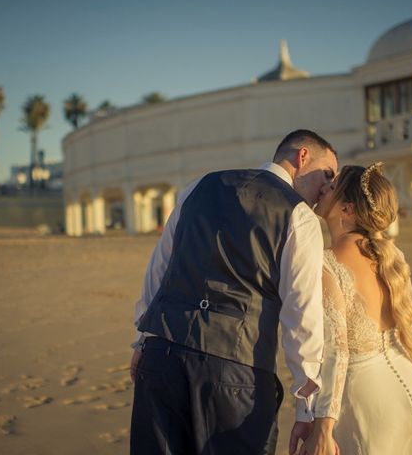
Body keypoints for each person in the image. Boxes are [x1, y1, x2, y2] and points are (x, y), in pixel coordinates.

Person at [129, 129, 338, 455]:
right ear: (302, 157)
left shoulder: (200, 186)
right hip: (236, 372)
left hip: (162, 355)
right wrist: (305, 406)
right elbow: (302, 317)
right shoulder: (299, 216)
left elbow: (159, 269)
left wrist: (143, 339)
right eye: (327, 173)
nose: (327, 187)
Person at [293, 163, 412, 455]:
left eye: (332, 186)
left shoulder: (327, 264)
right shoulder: (393, 256)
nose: (324, 186)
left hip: (367, 409)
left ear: (346, 210)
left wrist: (323, 427)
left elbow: (337, 353)